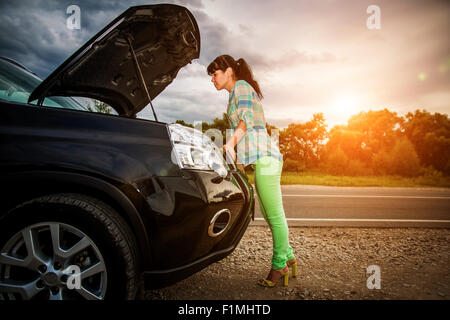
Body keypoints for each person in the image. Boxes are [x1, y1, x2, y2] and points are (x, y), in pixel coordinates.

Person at [207, 54, 297, 287]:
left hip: (267, 159)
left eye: (214, 74)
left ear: (228, 71)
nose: (212, 80)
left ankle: (279, 266)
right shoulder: (234, 95)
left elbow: (245, 122)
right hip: (261, 160)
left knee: (275, 216)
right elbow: (243, 136)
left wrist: (230, 142)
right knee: (269, 215)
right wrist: (237, 166)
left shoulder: (241, 87)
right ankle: (289, 256)